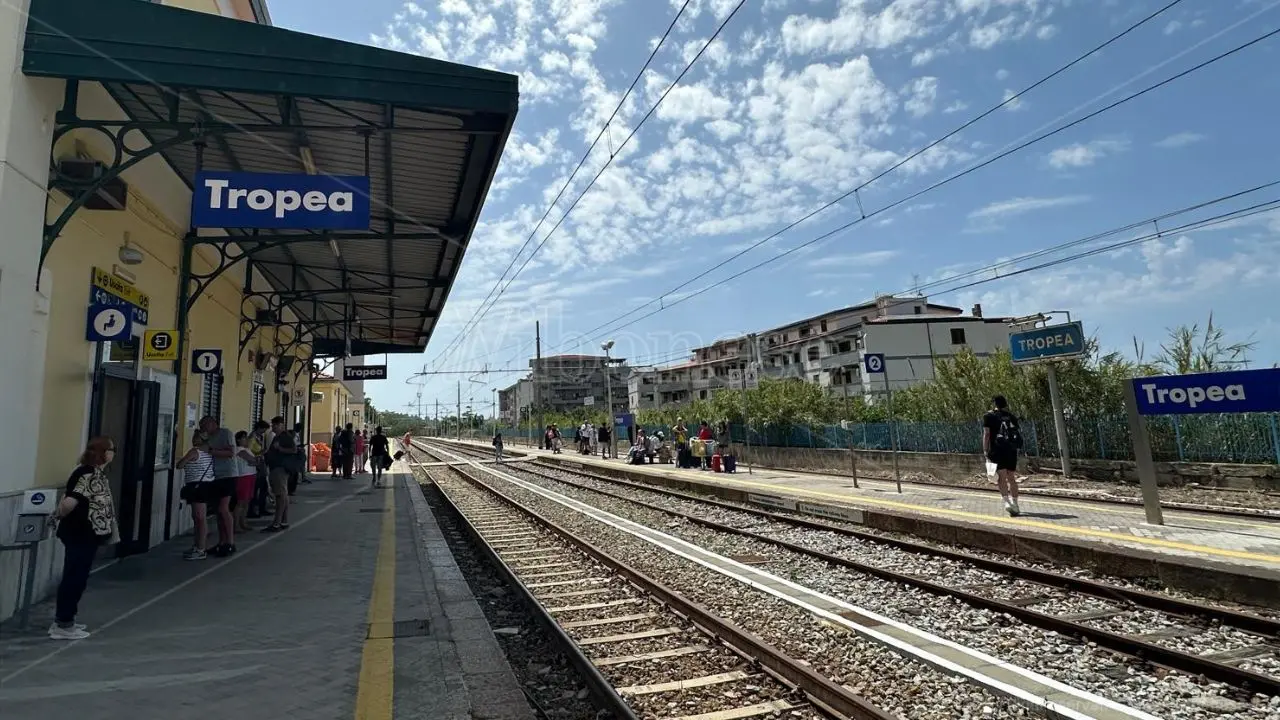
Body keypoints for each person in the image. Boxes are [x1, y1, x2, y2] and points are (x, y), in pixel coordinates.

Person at [49, 436, 119, 640]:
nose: (114, 453)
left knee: (78, 576)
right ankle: (63, 623)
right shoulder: (87, 474)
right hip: (81, 533)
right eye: (112, 449)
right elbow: (69, 503)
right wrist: (59, 513)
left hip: (87, 534)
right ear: (103, 452)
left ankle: (66, 619)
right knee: (75, 577)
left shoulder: (93, 473)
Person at [200, 416, 238, 556]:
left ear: (213, 423)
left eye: (205, 425)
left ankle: (230, 542)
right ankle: (221, 542)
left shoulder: (225, 433)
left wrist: (211, 451)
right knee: (218, 511)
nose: (204, 428)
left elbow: (230, 453)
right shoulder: (208, 437)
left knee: (224, 509)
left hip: (228, 475)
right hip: (214, 476)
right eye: (201, 426)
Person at [176, 430, 215, 560]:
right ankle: (197, 545)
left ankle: (200, 549)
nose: (193, 439)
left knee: (199, 518)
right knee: (198, 517)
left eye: (195, 437)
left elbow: (180, 465)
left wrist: (184, 460)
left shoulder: (194, 452)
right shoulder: (210, 452)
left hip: (197, 486)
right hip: (206, 485)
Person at [983, 394, 1024, 516]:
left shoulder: (988, 416)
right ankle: (1015, 504)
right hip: (1011, 450)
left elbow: (986, 434)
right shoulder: (1011, 416)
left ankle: (1007, 502)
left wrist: (985, 450)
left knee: (1001, 477)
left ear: (994, 404)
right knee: (1011, 477)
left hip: (997, 449)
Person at [263, 422, 303, 532]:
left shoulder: (285, 437)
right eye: (272, 425)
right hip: (278, 468)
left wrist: (279, 448)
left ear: (281, 425)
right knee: (283, 495)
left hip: (280, 468)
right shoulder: (279, 437)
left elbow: (293, 450)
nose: (273, 427)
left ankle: (277, 522)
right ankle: (283, 521)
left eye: (275, 425)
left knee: (280, 496)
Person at [233, 431, 257, 533]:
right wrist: (255, 460)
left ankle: (243, 522)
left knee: (247, 501)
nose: (247, 440)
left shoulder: (247, 449)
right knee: (241, 502)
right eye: (244, 438)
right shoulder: (239, 450)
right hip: (243, 477)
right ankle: (236, 524)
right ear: (238, 440)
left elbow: (255, 461)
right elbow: (253, 460)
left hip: (250, 475)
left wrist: (255, 461)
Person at [247, 420, 271, 517]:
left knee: (263, 487)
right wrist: (260, 453)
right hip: (256, 463)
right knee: (257, 487)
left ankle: (261, 508)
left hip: (260, 462)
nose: (264, 432)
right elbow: (249, 451)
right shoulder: (252, 438)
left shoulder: (259, 437)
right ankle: (252, 510)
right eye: (263, 429)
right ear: (259, 428)